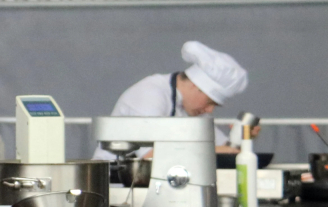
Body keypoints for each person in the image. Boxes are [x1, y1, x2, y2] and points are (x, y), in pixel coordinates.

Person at [94, 40, 250, 160]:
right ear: (197, 86)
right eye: (210, 102)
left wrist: (242, 135)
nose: (209, 110)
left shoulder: (192, 110)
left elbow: (225, 151)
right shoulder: (150, 95)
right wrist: (214, 150)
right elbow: (150, 157)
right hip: (115, 188)